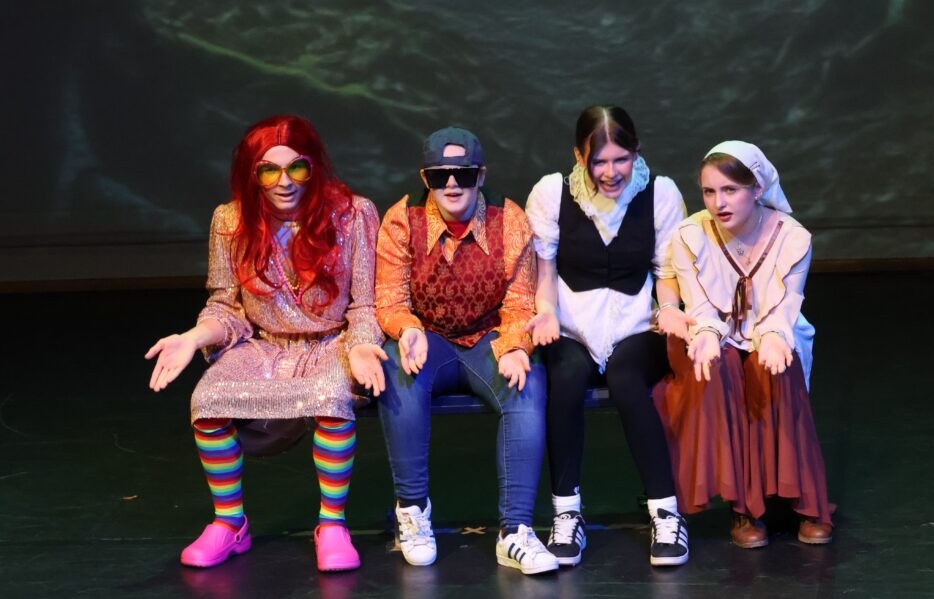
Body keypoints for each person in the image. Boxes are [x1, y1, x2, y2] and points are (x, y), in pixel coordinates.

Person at [145, 115, 385, 571]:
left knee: (330, 396)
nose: (284, 182)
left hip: (330, 343)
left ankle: (332, 525)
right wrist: (193, 337)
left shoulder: (354, 214)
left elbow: (365, 304)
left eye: (297, 168)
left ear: (313, 167)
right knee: (207, 399)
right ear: (251, 174)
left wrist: (359, 345)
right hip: (263, 346)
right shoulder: (230, 220)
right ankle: (229, 523)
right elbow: (225, 307)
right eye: (269, 171)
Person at [374, 127, 558, 575]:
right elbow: (390, 300)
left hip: (487, 340)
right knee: (397, 366)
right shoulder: (401, 221)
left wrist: (515, 345)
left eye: (464, 174)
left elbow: (520, 301)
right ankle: (412, 512)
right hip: (430, 341)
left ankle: (514, 532)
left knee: (527, 380)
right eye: (440, 176)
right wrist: (407, 329)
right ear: (426, 178)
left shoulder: (509, 220)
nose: (453, 184)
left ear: (481, 175)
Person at [524, 105, 691, 566]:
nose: (611, 172)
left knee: (625, 379)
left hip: (636, 325)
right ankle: (566, 513)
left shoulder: (660, 193)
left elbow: (667, 271)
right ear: (580, 157)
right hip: (572, 325)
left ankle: (666, 513)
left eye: (622, 159)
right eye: (599, 161)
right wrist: (545, 313)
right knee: (566, 379)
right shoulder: (552, 193)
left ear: (637, 152)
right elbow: (545, 271)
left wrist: (670, 310)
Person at [653, 140, 833, 549]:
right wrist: (706, 335)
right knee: (723, 367)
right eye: (709, 191)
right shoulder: (690, 235)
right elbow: (700, 306)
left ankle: (806, 501)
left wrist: (772, 336)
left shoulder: (793, 238)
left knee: (778, 366)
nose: (719, 202)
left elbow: (785, 307)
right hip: (712, 331)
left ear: (757, 189)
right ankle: (743, 506)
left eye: (730, 190)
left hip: (775, 329)